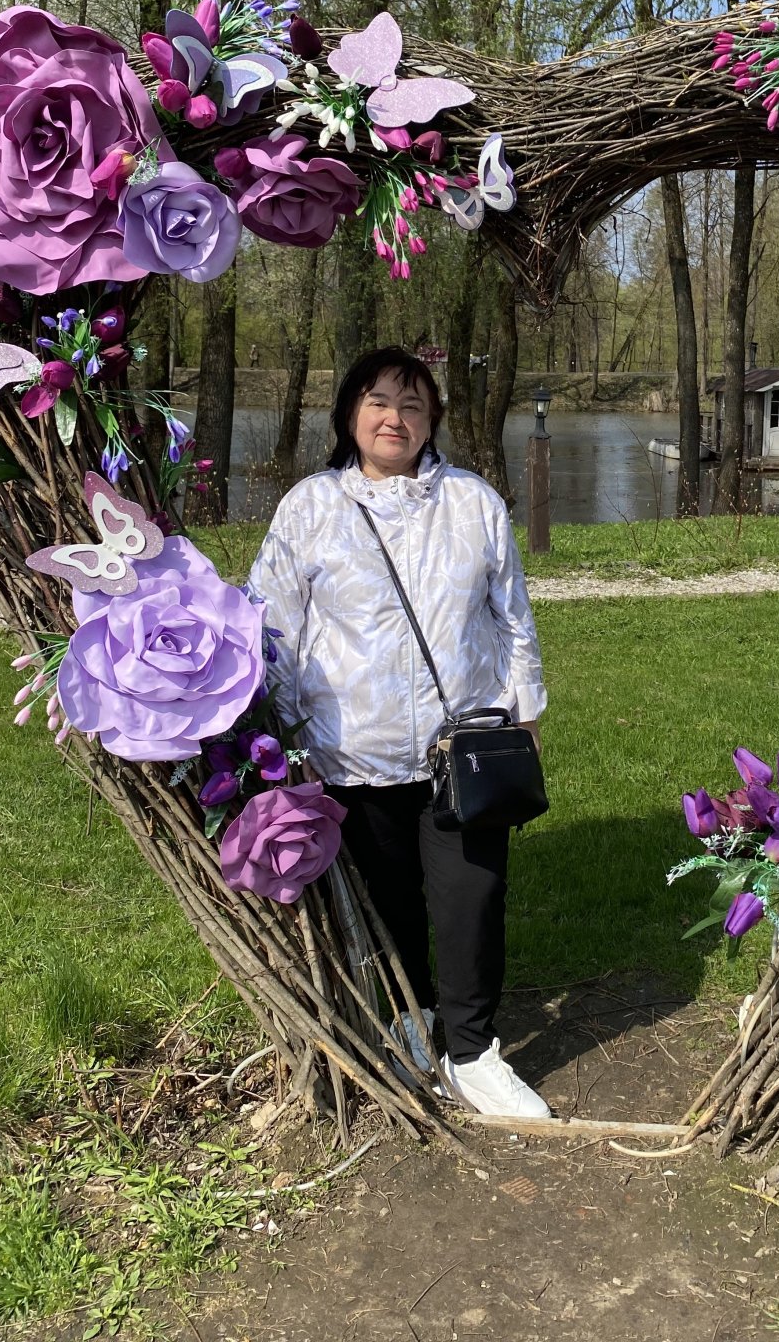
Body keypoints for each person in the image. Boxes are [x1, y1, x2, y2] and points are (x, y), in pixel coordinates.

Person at [247, 346, 550, 1118]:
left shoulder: (474, 503)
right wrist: (282, 742)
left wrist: (527, 715)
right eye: (380, 401)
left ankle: (473, 1051)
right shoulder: (310, 507)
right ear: (351, 413)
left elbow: (512, 618)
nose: (396, 418)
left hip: (465, 749)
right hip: (351, 751)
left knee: (472, 899)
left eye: (413, 406)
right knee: (388, 903)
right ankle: (410, 1028)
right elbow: (273, 627)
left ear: (432, 421)